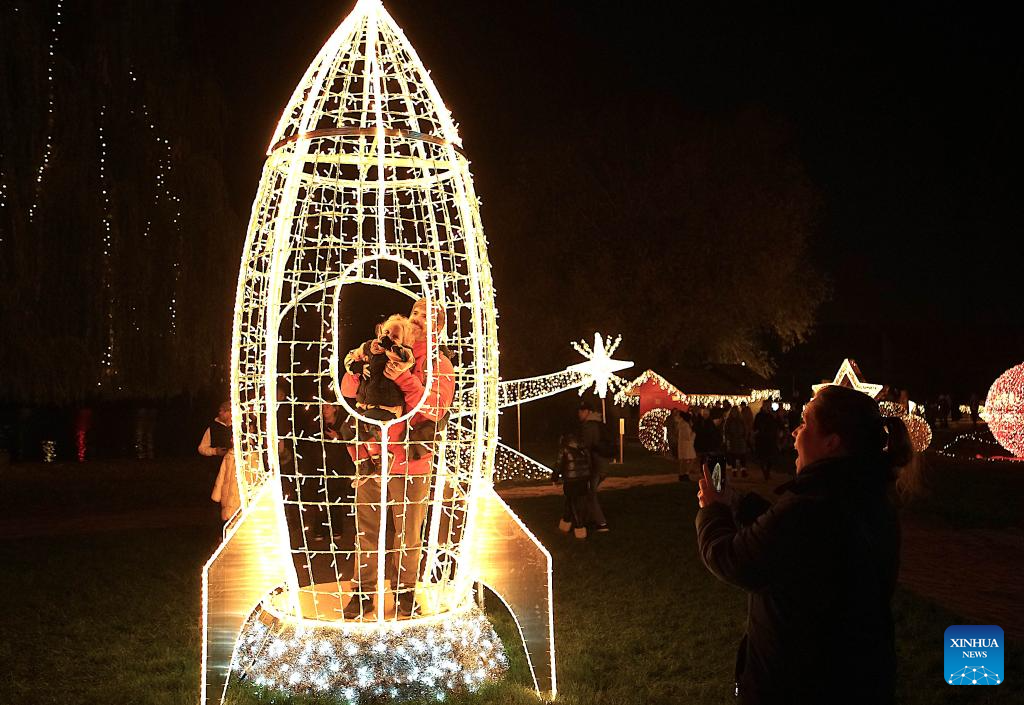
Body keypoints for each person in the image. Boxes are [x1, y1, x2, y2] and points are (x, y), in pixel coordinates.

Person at [695, 384, 918, 704]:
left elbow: (734, 558)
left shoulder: (811, 508)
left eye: (805, 423)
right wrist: (736, 502)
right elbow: (793, 542)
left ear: (832, 442)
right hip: (858, 676)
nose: (796, 433)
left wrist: (712, 511)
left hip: (798, 683)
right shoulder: (865, 497)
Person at [343, 298, 455, 620]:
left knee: (408, 532)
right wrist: (360, 362)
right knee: (366, 528)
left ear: (438, 328)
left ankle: (405, 592)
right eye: (415, 313)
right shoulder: (381, 347)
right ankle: (363, 592)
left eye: (428, 317)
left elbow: (433, 410)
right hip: (371, 455)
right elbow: (349, 391)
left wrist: (405, 376)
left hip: (411, 461)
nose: (419, 319)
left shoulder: (440, 364)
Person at [341, 314, 414, 472]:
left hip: (387, 406)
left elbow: (405, 359)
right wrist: (356, 367)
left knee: (364, 424)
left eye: (395, 336)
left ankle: (382, 457)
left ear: (404, 341)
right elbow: (350, 357)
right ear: (380, 330)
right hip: (366, 403)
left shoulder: (402, 354)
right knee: (346, 429)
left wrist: (391, 347)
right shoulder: (368, 346)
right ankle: (363, 464)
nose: (388, 337)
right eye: (386, 332)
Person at [578, 400, 610, 533]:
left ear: (588, 412)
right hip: (602, 464)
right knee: (587, 493)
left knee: (590, 494)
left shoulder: (589, 426)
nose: (579, 414)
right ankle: (584, 520)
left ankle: (601, 523)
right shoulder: (599, 424)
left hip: (594, 465)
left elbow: (587, 446)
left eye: (581, 411)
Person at [553, 431, 593, 539]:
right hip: (583, 479)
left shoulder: (564, 450)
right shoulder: (583, 449)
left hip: (571, 480)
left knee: (573, 503)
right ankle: (565, 523)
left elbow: (558, 464)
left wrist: (554, 478)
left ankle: (580, 528)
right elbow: (589, 463)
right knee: (572, 502)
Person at [752, 402, 780, 480]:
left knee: (770, 457)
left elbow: (777, 424)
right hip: (762, 438)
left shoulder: (772, 415)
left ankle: (767, 471)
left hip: (770, 438)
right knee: (762, 457)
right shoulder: (759, 415)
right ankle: (764, 471)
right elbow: (755, 425)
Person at [723, 406, 749, 477]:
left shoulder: (741, 420)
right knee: (733, 455)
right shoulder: (729, 421)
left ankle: (743, 470)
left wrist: (744, 437)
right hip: (733, 440)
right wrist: (728, 438)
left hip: (740, 440)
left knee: (742, 455)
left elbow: (744, 429)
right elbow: (726, 431)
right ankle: (734, 470)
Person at [675, 409, 697, 481]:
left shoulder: (681, 425)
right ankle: (686, 473)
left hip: (682, 444)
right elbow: (688, 437)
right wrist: (694, 433)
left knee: (683, 460)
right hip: (687, 445)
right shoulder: (686, 426)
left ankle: (682, 474)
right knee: (691, 458)